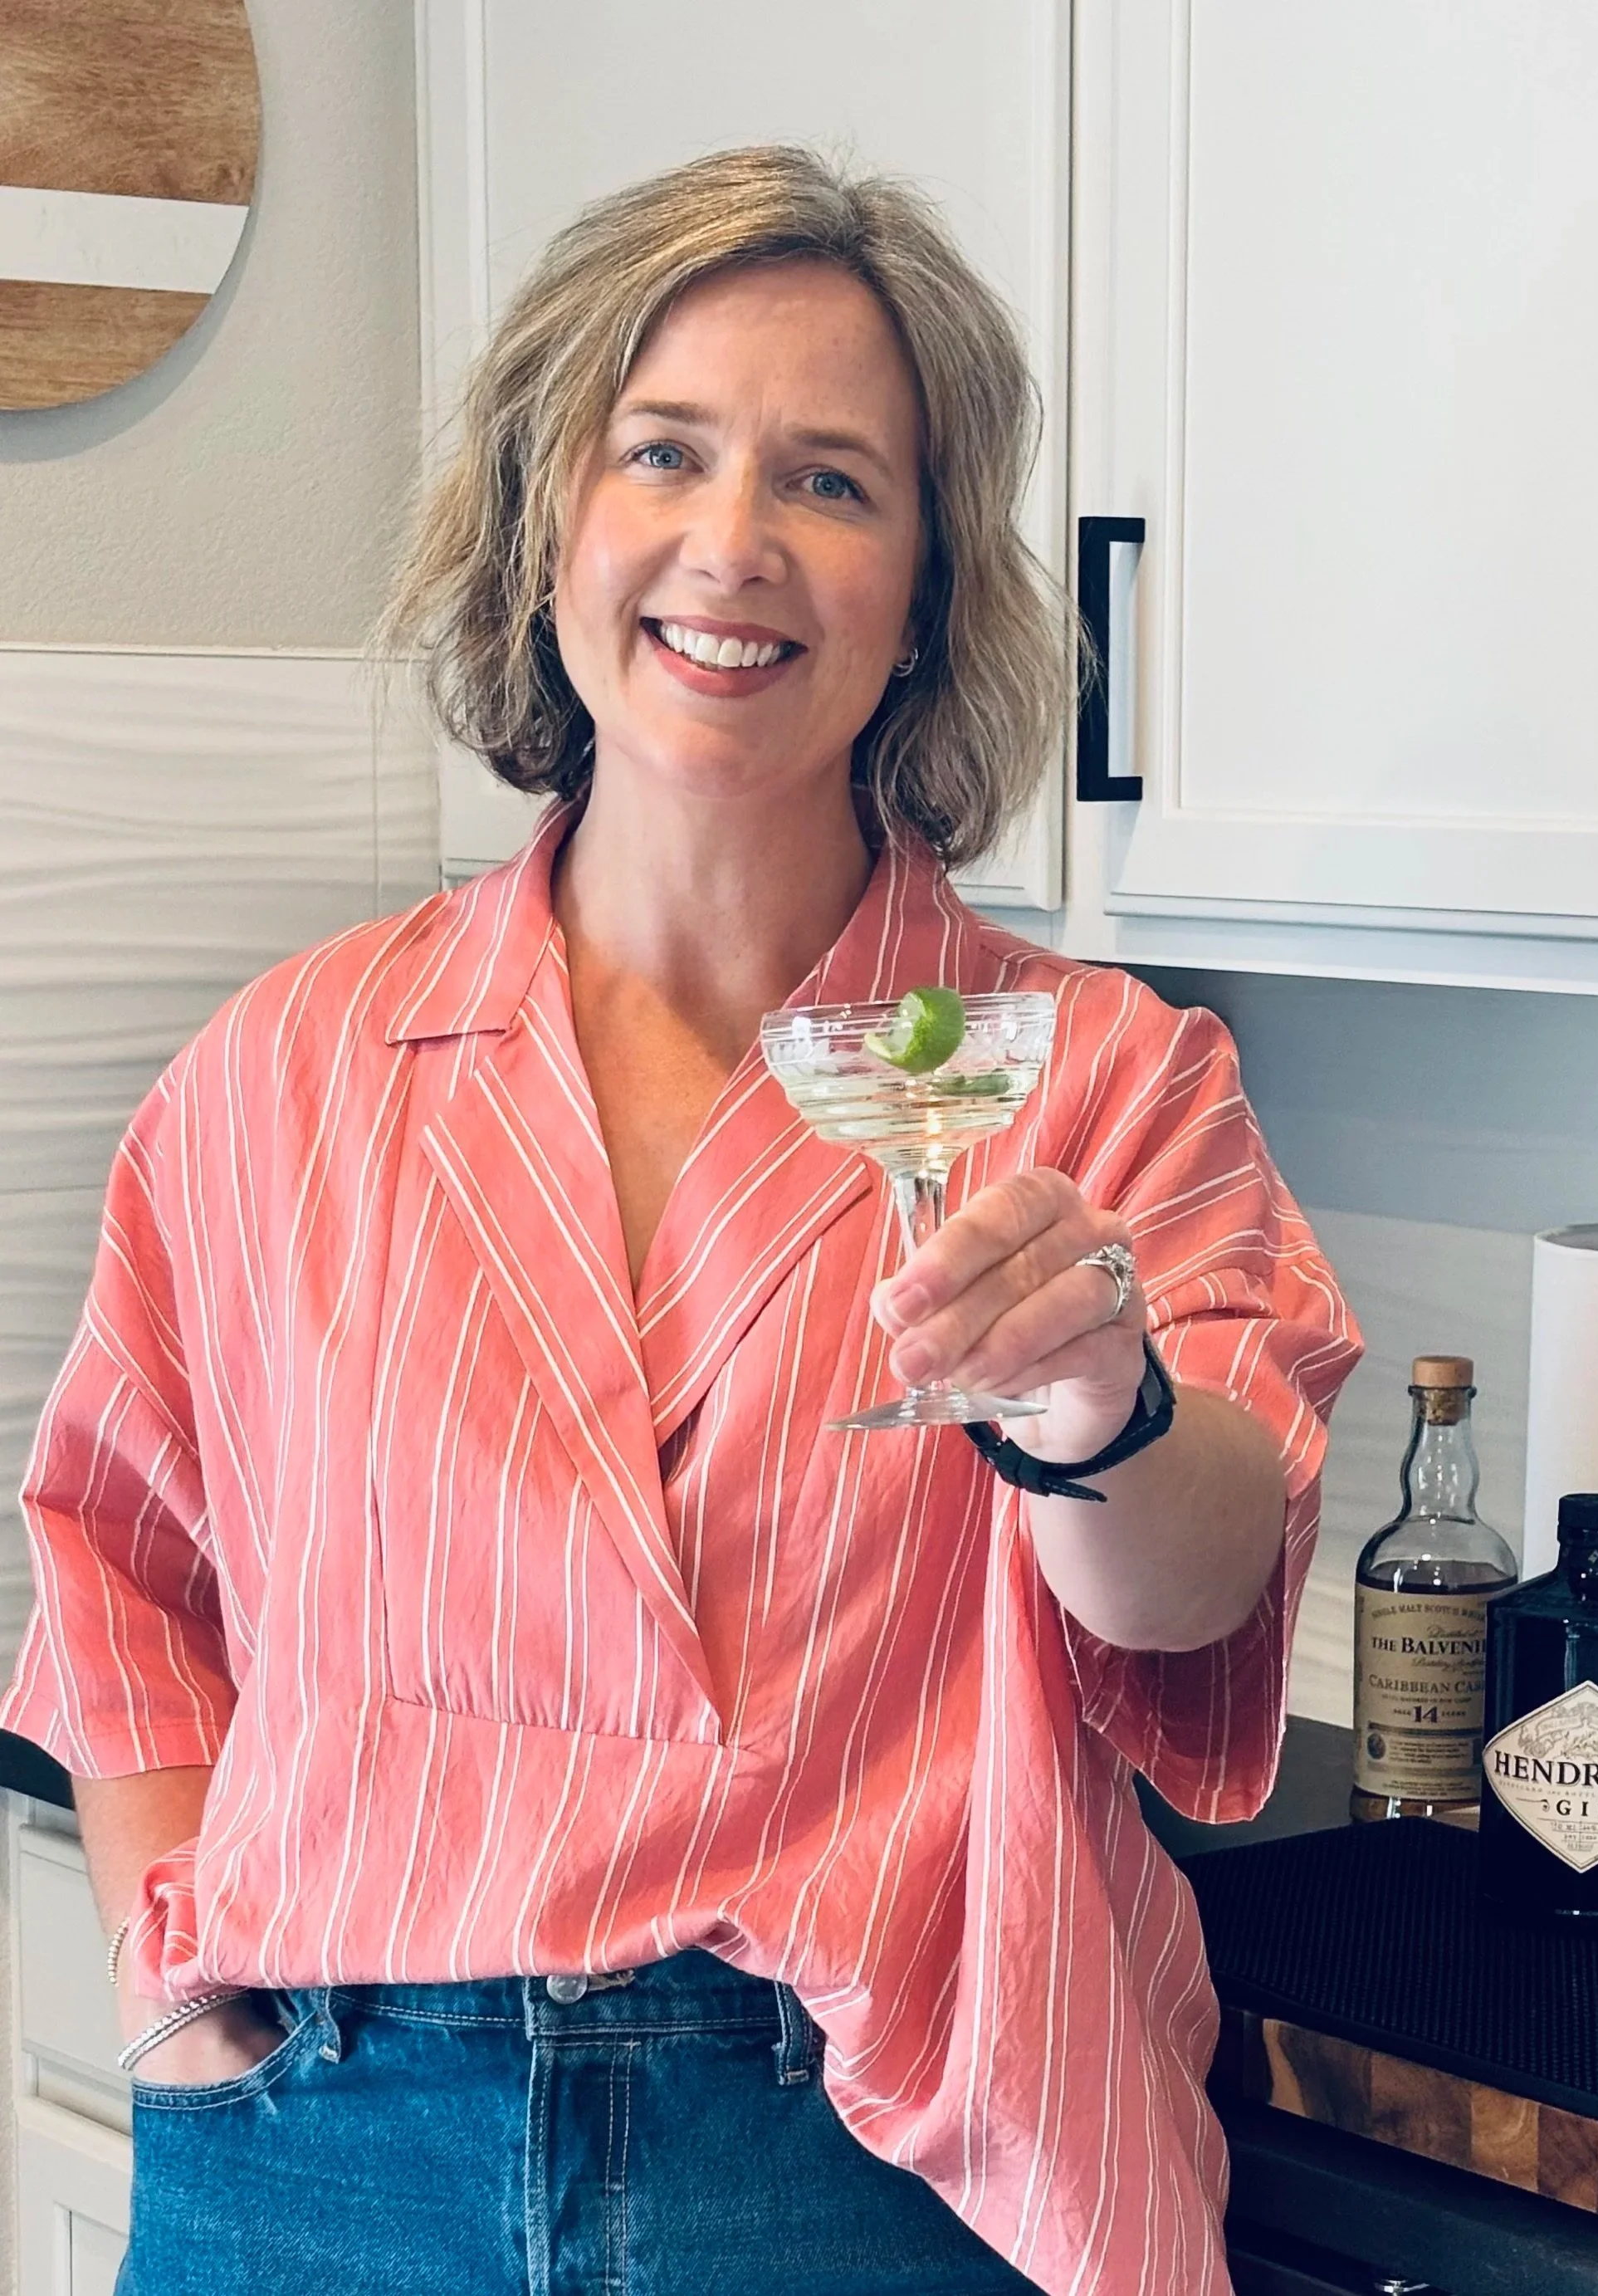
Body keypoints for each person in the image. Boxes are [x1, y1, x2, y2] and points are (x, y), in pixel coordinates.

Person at [2, 147, 1361, 2296]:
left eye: (833, 478)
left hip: (881, 2152)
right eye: (667, 451)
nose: (735, 542)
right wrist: (178, 1976)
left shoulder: (1086, 1070)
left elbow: (1195, 1600)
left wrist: (1093, 1404)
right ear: (553, 510)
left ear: (925, 582)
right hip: (332, 2156)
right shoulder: (281, 1075)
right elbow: (119, 1557)